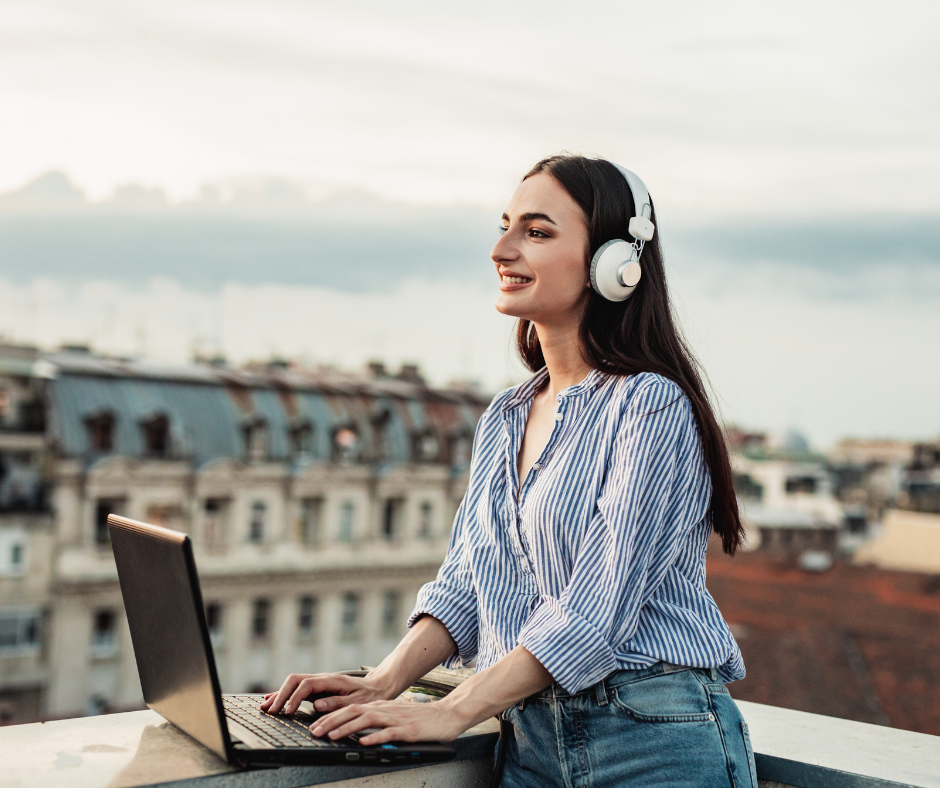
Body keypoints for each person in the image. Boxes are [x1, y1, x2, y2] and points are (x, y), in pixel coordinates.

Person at [262, 154, 758, 787]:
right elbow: (468, 584)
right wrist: (381, 681)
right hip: (528, 742)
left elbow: (594, 611)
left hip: (650, 742)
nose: (502, 249)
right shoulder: (507, 414)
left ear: (615, 264)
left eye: (538, 231)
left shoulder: (650, 406)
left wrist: (450, 711)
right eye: (505, 226)